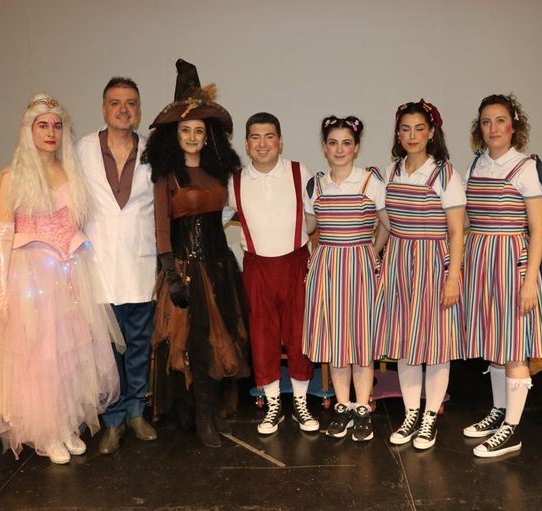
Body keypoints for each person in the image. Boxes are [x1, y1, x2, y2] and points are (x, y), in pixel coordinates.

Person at [0, 93, 122, 464]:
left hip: (69, 274)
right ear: (29, 130)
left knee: (71, 353)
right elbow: (2, 234)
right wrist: (2, 288)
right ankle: (46, 431)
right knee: (41, 355)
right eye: (43, 125)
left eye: (56, 125)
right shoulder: (12, 176)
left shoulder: (70, 172)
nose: (50, 132)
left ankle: (65, 423)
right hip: (32, 277)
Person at [143, 60, 250, 448]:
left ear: (208, 137)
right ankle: (201, 418)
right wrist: (171, 274)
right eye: (185, 130)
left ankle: (212, 412)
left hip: (220, 266)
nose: (192, 136)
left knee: (222, 342)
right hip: (186, 269)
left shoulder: (219, 173)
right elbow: (161, 228)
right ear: (176, 136)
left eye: (199, 131)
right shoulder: (166, 176)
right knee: (196, 346)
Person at [460, 94, 542, 457]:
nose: (493, 128)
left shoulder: (526, 167)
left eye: (499, 120)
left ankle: (512, 429)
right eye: (486, 121)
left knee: (512, 347)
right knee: (495, 345)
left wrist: (529, 282)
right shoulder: (476, 165)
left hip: (512, 263)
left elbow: (538, 229)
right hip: (481, 262)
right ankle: (499, 412)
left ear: (514, 125)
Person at [376, 99, 466, 450]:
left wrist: (453, 277)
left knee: (436, 343)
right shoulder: (389, 173)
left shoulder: (445, 173)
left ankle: (430, 416)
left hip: (434, 263)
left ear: (431, 133)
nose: (411, 135)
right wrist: (375, 254)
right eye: (405, 129)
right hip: (399, 262)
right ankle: (411, 412)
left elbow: (456, 231)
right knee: (405, 342)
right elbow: (386, 223)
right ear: (397, 134)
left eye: (419, 129)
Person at [75, 77, 158, 455]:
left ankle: (136, 413)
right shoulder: (83, 149)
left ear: (138, 109)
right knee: (107, 352)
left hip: (140, 265)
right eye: (115, 102)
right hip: (99, 267)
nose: (123, 109)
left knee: (138, 344)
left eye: (130, 103)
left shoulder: (154, 150)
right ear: (104, 108)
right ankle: (112, 420)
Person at [226, 113, 319, 435]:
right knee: (262, 337)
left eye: (269, 136)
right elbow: (217, 218)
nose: (262, 143)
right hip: (257, 267)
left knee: (299, 334)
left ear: (280, 141)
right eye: (255, 137)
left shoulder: (299, 172)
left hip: (295, 263)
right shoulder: (235, 181)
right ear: (246, 143)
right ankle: (273, 404)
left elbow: (314, 218)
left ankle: (301, 403)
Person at [302, 116, 389, 441]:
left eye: (346, 143)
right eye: (333, 143)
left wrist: (372, 252)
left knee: (361, 342)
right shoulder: (316, 185)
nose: (340, 149)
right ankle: (343, 406)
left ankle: (362, 408)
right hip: (327, 268)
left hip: (360, 268)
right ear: (325, 147)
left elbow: (387, 224)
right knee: (336, 342)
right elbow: (308, 227)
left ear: (356, 147)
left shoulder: (370, 182)